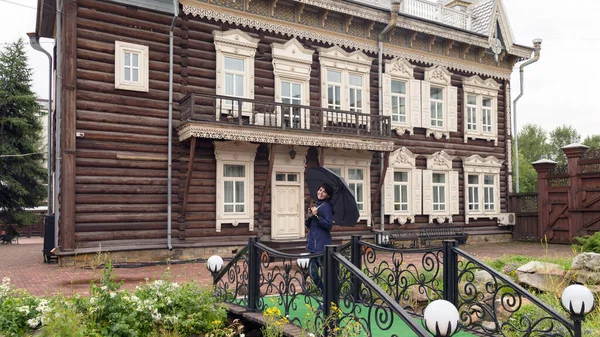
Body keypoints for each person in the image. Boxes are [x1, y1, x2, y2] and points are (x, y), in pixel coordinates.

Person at [305, 183, 334, 306]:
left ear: (327, 195)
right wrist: (310, 216)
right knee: (312, 273)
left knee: (324, 273)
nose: (320, 192)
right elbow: (308, 225)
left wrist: (317, 215)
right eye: (320, 190)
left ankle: (327, 300)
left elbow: (329, 225)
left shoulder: (326, 206)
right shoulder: (317, 205)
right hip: (313, 244)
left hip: (322, 245)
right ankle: (325, 294)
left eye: (324, 191)